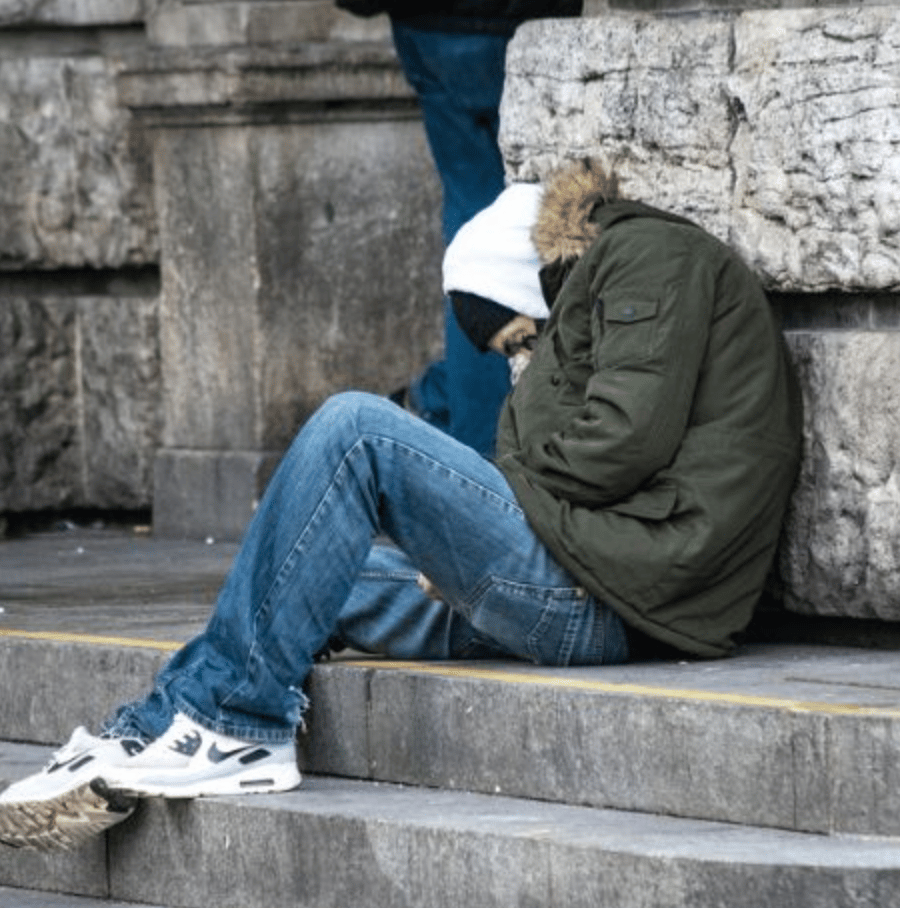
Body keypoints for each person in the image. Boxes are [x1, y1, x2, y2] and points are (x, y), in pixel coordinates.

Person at [0, 160, 802, 853]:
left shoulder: (651, 257)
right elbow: (589, 452)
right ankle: (149, 729)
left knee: (357, 428)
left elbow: (620, 441)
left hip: (621, 597)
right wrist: (460, 543)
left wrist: (474, 529)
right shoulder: (599, 297)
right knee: (303, 571)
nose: (524, 359)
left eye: (520, 339)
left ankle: (238, 725)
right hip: (603, 574)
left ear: (522, 284)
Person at [337, 0, 583, 457]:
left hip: (438, 24)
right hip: (537, 18)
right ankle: (458, 415)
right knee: (548, 223)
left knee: (479, 235)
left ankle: (469, 438)